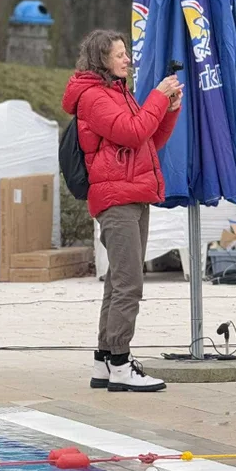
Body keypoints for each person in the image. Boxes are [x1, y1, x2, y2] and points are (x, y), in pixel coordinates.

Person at [61, 29, 182, 393]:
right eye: (119, 54)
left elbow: (147, 140)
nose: (127, 59)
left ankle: (104, 361)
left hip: (132, 194)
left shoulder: (118, 93)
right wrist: (158, 98)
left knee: (118, 282)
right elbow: (131, 132)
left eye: (126, 52)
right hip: (115, 199)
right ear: (101, 60)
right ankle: (120, 362)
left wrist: (169, 111)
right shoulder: (94, 98)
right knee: (130, 283)